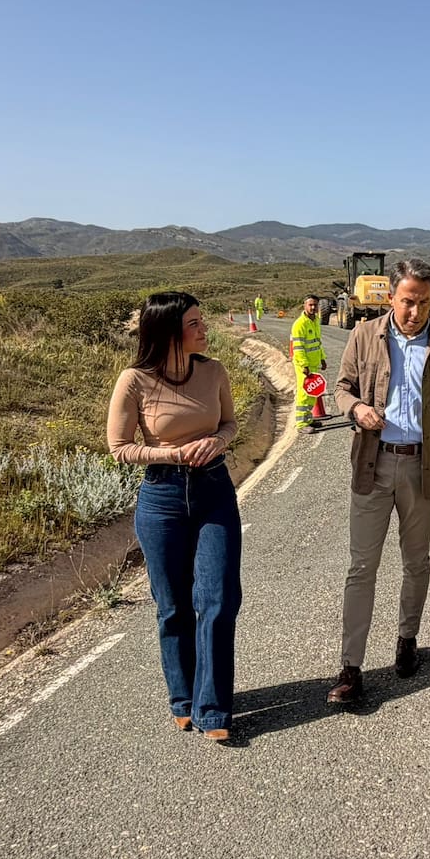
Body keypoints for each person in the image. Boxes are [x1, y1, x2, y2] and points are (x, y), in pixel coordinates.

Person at [327, 259, 430, 703]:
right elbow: (341, 389)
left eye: (424, 302)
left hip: (422, 468)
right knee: (361, 567)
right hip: (373, 465)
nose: (416, 311)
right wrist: (357, 409)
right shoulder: (363, 335)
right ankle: (351, 667)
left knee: (416, 562)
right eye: (408, 301)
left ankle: (407, 640)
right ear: (391, 297)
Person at [107, 291, 241, 742]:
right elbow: (119, 448)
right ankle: (183, 700)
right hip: (162, 497)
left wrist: (218, 442)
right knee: (173, 606)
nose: (205, 329)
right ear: (168, 333)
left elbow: (229, 424)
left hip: (214, 491)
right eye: (194, 324)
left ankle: (213, 709)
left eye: (202, 321)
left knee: (220, 599)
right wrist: (174, 453)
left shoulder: (214, 371)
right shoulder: (134, 380)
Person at [290, 294, 328, 434]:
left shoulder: (315, 321)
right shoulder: (300, 324)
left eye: (315, 305)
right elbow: (298, 348)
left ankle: (308, 419)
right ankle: (301, 424)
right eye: (310, 305)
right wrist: (304, 365)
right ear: (304, 306)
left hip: (314, 364)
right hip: (304, 366)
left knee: (312, 393)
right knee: (304, 394)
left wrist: (322, 358)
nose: (313, 307)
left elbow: (317, 342)